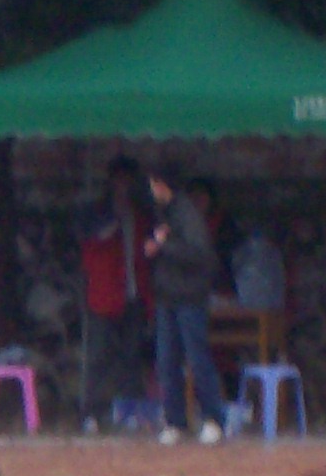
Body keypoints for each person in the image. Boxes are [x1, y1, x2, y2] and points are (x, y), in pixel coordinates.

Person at [143, 168, 225, 444]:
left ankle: (214, 419)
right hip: (167, 297)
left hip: (189, 298)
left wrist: (164, 247)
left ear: (162, 185)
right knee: (166, 362)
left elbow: (199, 255)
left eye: (153, 184)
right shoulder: (163, 213)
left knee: (197, 359)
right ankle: (175, 421)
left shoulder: (187, 215)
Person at [78, 156, 148, 429]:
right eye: (119, 182)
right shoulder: (96, 213)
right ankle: (91, 413)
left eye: (128, 182)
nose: (123, 188)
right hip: (104, 294)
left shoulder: (139, 215)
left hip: (134, 293)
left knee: (132, 355)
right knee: (98, 355)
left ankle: (131, 411)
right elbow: (91, 242)